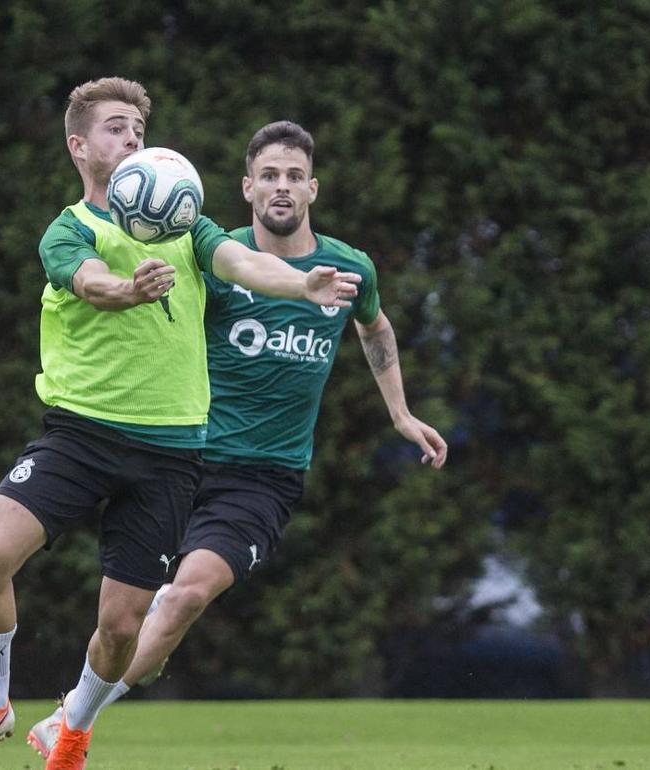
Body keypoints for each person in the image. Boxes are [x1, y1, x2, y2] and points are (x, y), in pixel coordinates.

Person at [0, 81, 361, 770]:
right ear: (80, 146)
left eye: (137, 129)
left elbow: (243, 261)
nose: (130, 139)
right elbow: (90, 282)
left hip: (169, 455)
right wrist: (125, 291)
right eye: (114, 129)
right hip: (79, 436)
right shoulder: (70, 229)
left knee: (122, 626)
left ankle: (74, 733)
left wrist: (298, 282)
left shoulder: (190, 228)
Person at [26, 120, 448, 758]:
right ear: (247, 188)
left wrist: (401, 413)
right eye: (269, 176)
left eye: (294, 176)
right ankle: (117, 680)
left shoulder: (348, 266)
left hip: (262, 478)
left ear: (313, 189)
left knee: (186, 594)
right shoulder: (214, 259)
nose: (282, 187)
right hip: (182, 457)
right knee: (135, 616)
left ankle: (71, 719)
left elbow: (375, 327)